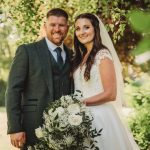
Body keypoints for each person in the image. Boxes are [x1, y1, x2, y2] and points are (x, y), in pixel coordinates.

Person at [5, 8, 73, 150]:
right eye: (52, 25)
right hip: (33, 126)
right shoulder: (27, 51)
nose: (57, 29)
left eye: (61, 25)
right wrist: (15, 127)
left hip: (67, 129)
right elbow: (13, 90)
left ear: (67, 27)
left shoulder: (72, 55)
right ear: (45, 26)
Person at [72, 13, 140, 150]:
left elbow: (110, 94)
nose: (82, 32)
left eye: (86, 27)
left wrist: (80, 102)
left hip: (101, 117)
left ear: (95, 29)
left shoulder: (102, 55)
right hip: (80, 119)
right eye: (78, 28)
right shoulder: (79, 58)